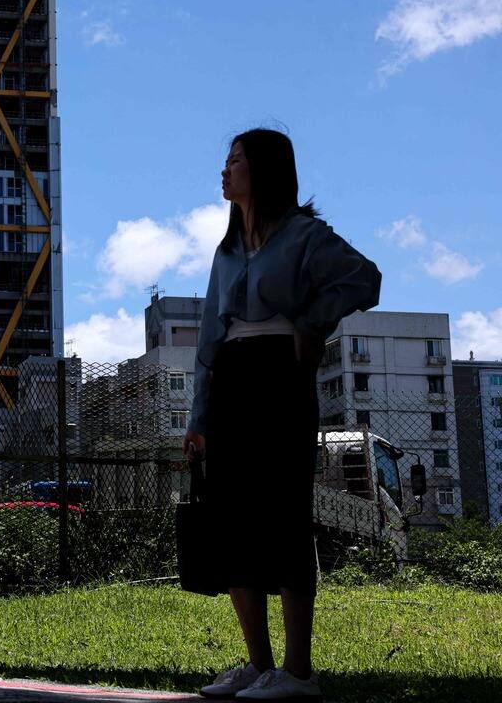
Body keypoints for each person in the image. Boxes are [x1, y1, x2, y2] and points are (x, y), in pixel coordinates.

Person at [183, 129, 380, 701]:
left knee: (285, 515)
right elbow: (207, 341)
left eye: (235, 161)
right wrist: (198, 418)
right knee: (232, 518)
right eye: (225, 160)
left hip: (281, 378)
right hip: (231, 380)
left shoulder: (303, 234)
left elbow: (364, 279)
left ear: (265, 170)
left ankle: (297, 673)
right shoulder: (225, 252)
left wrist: (312, 323)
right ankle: (257, 665)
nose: (224, 170)